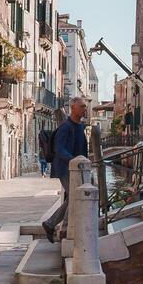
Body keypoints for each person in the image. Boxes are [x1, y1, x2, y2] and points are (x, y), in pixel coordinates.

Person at [44, 98, 90, 242]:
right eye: (82, 107)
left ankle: (50, 224)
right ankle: (64, 228)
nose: (85, 109)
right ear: (73, 108)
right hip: (65, 169)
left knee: (73, 198)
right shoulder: (65, 127)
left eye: (85, 107)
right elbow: (59, 149)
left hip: (76, 169)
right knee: (75, 197)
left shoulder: (79, 127)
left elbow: (82, 150)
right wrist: (73, 160)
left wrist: (85, 163)